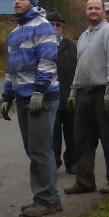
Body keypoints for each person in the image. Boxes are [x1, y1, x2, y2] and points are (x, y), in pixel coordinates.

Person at [0, 0, 64, 217]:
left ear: (33, 3)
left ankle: (47, 200)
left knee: (40, 149)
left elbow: (47, 61)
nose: (17, 2)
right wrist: (7, 96)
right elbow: (12, 68)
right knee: (31, 148)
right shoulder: (14, 33)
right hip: (22, 97)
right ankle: (46, 196)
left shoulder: (43, 27)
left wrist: (39, 92)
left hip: (42, 98)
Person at [65, 0, 109, 194]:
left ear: (103, 12)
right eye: (90, 8)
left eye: (96, 8)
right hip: (85, 93)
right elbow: (80, 66)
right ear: (86, 11)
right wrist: (74, 91)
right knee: (82, 139)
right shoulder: (84, 36)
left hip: (104, 92)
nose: (93, 11)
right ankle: (85, 181)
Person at [50, 12, 78, 175]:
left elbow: (78, 69)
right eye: (51, 25)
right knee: (53, 135)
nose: (55, 28)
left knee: (72, 133)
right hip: (51, 98)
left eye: (58, 25)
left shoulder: (70, 46)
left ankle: (72, 162)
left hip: (69, 97)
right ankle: (53, 162)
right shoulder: (42, 46)